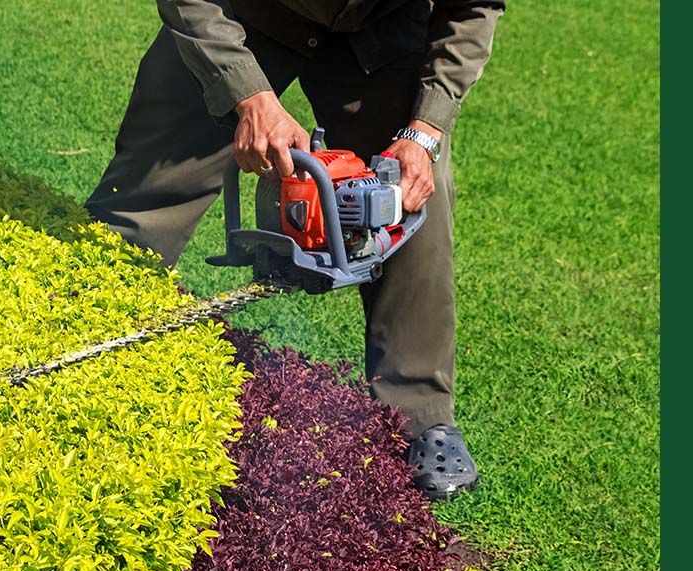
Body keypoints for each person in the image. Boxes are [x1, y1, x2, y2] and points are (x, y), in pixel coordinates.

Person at [85, 0, 504, 500]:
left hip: (380, 30)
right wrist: (246, 91)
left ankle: (423, 415)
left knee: (408, 195)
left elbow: (473, 8)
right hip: (242, 14)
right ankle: (86, 329)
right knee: (147, 190)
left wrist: (427, 129)